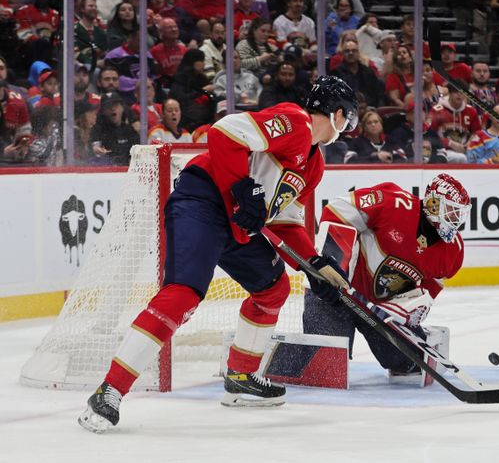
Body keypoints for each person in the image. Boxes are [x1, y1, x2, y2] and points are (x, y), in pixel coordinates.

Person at [78, 75, 359, 434]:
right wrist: (243, 187)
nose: (346, 128)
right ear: (338, 114)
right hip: (204, 201)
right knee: (184, 294)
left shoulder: (314, 165)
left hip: (238, 225)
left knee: (273, 288)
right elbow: (225, 132)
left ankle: (241, 376)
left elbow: (285, 222)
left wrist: (314, 266)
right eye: (348, 119)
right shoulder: (295, 120)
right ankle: (109, 390)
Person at [303, 175, 469, 378]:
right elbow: (337, 210)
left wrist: (413, 306)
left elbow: (431, 286)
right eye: (451, 211)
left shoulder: (453, 251)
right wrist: (334, 269)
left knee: (409, 365)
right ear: (433, 204)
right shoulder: (393, 202)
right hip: (336, 294)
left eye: (459, 213)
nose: (455, 220)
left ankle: (427, 337)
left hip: (379, 310)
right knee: (326, 371)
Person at [90, 92, 139, 166]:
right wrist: (96, 151)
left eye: (115, 105)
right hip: (106, 172)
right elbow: (95, 151)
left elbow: (138, 155)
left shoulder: (129, 131)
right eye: (109, 106)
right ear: (103, 111)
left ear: (122, 108)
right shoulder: (98, 131)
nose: (113, 108)